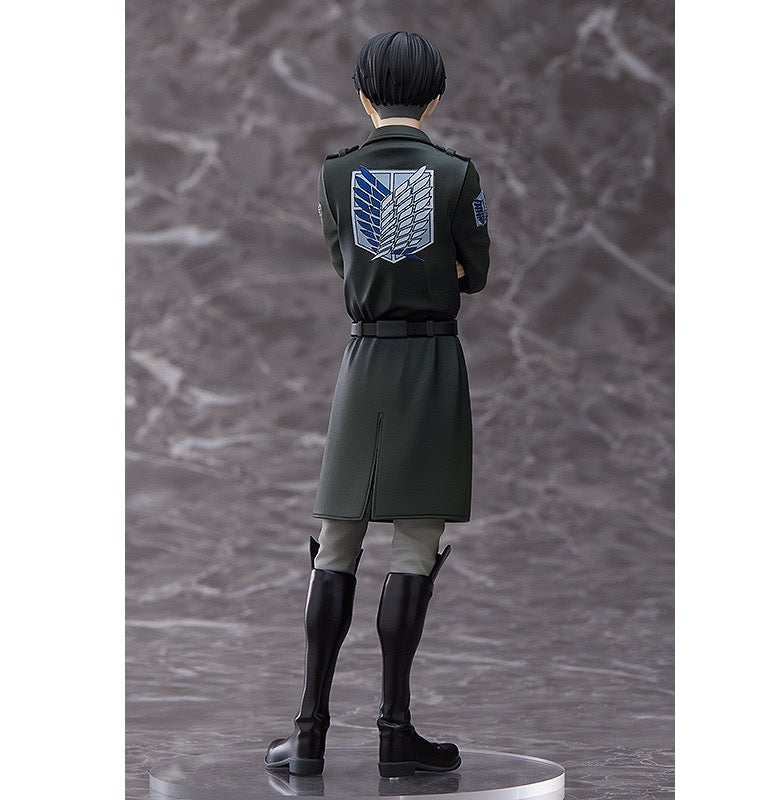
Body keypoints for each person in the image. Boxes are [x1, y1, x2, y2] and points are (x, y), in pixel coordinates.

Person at [265, 30, 490, 778]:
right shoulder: (457, 175)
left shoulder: (336, 175)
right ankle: (395, 732)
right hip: (432, 361)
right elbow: (475, 271)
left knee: (337, 541)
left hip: (365, 361)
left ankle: (309, 735)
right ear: (435, 95)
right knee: (415, 543)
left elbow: (346, 263)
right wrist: (438, 266)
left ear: (364, 94)